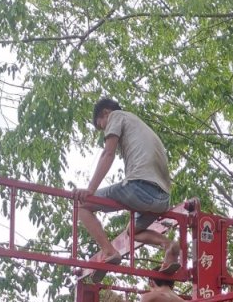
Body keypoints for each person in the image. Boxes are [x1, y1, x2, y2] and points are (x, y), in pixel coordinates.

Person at [75, 97, 181, 273]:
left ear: (106, 113)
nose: (105, 131)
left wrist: (90, 190)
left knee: (81, 205)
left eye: (102, 126)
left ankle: (109, 251)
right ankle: (168, 245)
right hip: (162, 198)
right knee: (133, 232)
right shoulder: (137, 124)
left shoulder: (116, 116)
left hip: (140, 188)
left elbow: (108, 154)